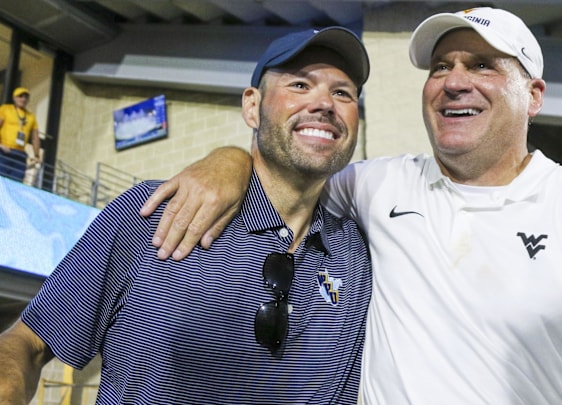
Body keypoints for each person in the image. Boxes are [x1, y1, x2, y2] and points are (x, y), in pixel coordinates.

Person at [141, 6, 562, 404]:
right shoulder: (378, 188)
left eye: (484, 65)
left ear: (533, 95)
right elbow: (294, 163)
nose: (454, 82)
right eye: (441, 66)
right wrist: (229, 159)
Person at [0, 26, 372, 404]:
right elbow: (27, 343)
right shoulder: (151, 213)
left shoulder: (361, 257)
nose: (324, 103)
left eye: (342, 93)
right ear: (252, 107)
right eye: (300, 85)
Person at [0, 87, 40, 183]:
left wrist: (37, 155)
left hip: (20, 154)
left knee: (15, 182)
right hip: (4, 151)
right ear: (14, 98)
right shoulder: (5, 109)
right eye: (20, 96)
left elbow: (35, 137)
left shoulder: (31, 116)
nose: (23, 99)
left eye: (26, 97)